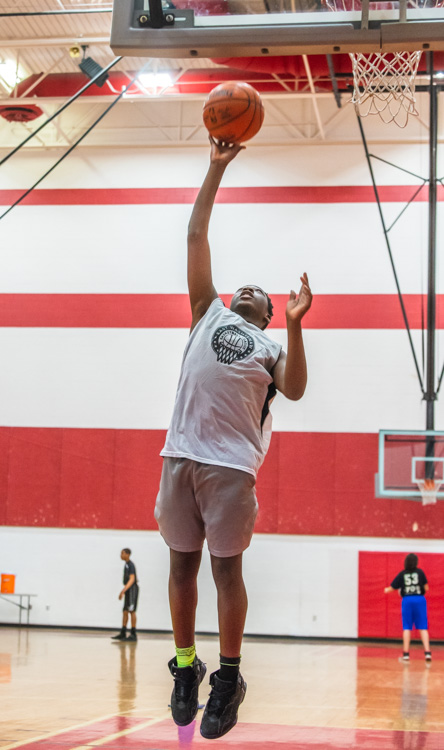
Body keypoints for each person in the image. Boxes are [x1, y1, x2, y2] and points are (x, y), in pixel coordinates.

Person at [154, 137, 312, 739]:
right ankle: (186, 668)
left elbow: (294, 390)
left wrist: (297, 328)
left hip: (230, 467)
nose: (246, 289)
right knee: (179, 566)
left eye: (259, 293)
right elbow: (196, 238)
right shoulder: (206, 311)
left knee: (225, 573)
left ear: (270, 313)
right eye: (241, 286)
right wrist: (215, 169)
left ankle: (228, 676)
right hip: (179, 456)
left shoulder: (273, 347)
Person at [384, 553, 431, 663]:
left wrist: (386, 590)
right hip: (420, 600)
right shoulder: (420, 572)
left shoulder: (402, 574)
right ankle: (428, 653)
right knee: (423, 627)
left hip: (407, 600)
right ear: (416, 562)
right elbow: (426, 588)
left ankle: (406, 654)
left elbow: (391, 588)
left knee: (407, 627)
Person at [111, 548, 139, 642]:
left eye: (122, 553)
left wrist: (123, 590)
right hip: (128, 591)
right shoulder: (126, 564)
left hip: (132, 590)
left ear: (127, 554)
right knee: (125, 611)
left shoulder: (130, 565)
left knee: (131, 611)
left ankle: (133, 634)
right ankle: (123, 632)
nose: (121, 555)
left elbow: (132, 579)